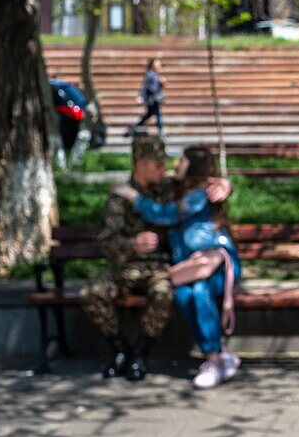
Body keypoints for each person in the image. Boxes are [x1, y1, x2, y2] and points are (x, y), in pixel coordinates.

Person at [80, 135, 232, 381]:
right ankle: (120, 349)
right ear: (141, 164)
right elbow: (107, 242)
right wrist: (133, 244)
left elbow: (200, 184)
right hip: (125, 268)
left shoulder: (170, 189)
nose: (165, 168)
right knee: (91, 293)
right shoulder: (120, 196)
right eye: (158, 164)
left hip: (159, 267)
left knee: (164, 293)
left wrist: (225, 184)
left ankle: (140, 354)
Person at [113, 146, 242, 390]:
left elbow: (164, 214)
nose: (175, 165)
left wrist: (131, 195)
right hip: (192, 266)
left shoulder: (198, 194)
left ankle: (214, 358)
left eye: (181, 160)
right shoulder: (184, 188)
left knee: (200, 291)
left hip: (218, 264)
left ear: (192, 165)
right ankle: (218, 356)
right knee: (184, 294)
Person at [129, 57, 165, 135]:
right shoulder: (151, 75)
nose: (159, 65)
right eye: (157, 63)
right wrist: (141, 96)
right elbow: (147, 87)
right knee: (158, 114)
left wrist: (161, 83)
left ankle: (134, 127)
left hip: (153, 99)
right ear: (152, 64)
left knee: (149, 115)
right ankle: (161, 131)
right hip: (152, 99)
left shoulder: (155, 74)